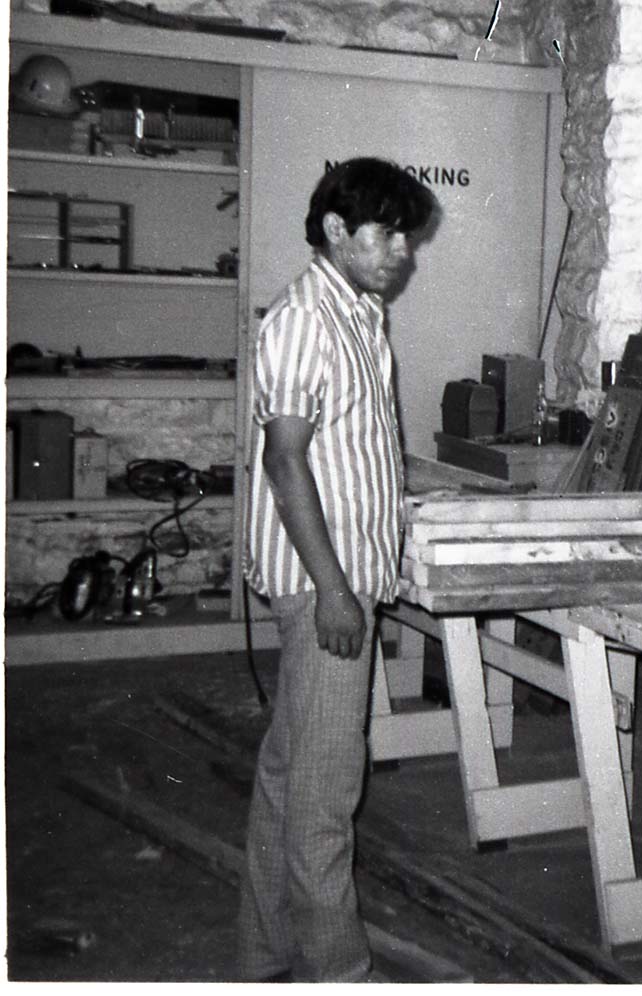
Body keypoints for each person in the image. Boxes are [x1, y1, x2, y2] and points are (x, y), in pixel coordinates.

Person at [237, 157, 437, 983]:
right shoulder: (301, 321)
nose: (402, 251)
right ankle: (338, 974)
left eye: (405, 235)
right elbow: (285, 466)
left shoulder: (358, 312)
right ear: (334, 231)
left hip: (344, 572)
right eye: (385, 233)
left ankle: (265, 954)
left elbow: (346, 448)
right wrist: (334, 593)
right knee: (326, 799)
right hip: (326, 585)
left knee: (290, 779)